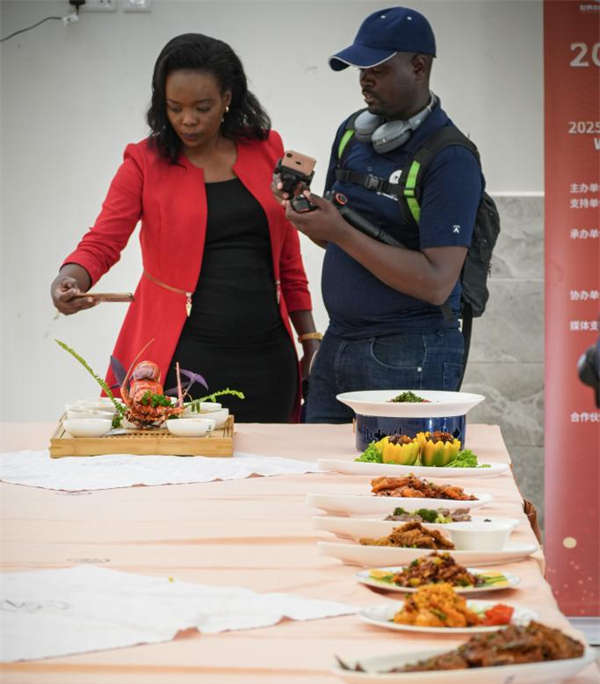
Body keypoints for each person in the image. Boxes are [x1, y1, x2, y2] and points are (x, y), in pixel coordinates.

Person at [50, 33, 319, 423]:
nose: (187, 120)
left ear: (227, 98)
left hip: (267, 361)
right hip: (180, 360)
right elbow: (103, 240)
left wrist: (309, 340)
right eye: (174, 107)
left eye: (202, 107)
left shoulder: (268, 148)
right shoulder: (144, 162)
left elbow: (288, 259)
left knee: (268, 460)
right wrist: (71, 277)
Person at [280, 7, 483, 423]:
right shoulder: (352, 134)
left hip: (412, 350)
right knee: (315, 459)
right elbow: (336, 236)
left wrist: (341, 233)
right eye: (360, 69)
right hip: (339, 341)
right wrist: (307, 216)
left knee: (398, 467)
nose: (364, 79)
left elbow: (436, 283)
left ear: (419, 66)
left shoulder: (451, 158)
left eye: (378, 69)